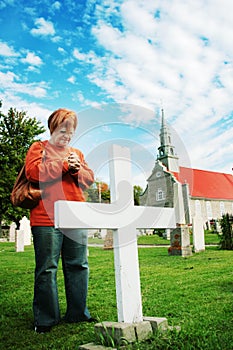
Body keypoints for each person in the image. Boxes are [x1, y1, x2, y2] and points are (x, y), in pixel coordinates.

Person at [25, 108, 95, 333]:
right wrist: (64, 165)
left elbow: (88, 180)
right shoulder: (39, 148)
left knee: (79, 265)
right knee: (47, 268)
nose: (67, 134)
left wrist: (76, 169)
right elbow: (34, 173)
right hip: (46, 216)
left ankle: (78, 313)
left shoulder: (77, 153)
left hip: (75, 215)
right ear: (53, 127)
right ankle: (46, 319)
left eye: (71, 131)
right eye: (63, 129)